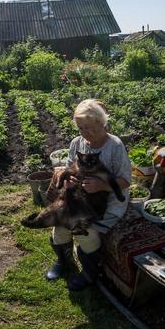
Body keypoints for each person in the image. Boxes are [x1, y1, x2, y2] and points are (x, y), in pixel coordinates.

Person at [45, 98, 134, 290]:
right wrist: (70, 180)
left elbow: (126, 181)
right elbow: (70, 168)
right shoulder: (77, 143)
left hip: (108, 203)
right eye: (80, 128)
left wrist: (101, 185)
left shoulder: (115, 146)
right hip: (80, 198)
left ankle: (90, 273)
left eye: (90, 129)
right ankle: (63, 261)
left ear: (103, 125)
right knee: (60, 225)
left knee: (84, 231)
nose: (85, 134)